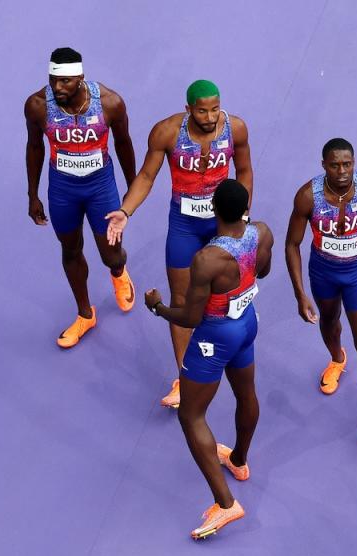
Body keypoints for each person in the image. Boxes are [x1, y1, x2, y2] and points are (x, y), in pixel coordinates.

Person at [106, 80, 252, 407]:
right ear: (188, 110)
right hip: (184, 225)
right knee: (183, 299)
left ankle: (230, 356)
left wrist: (241, 217)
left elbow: (244, 172)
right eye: (202, 110)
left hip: (221, 224)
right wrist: (126, 210)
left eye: (215, 109)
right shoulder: (167, 133)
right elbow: (145, 176)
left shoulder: (236, 129)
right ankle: (186, 379)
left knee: (226, 298)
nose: (211, 116)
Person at [144, 179, 273, 539]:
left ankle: (226, 504)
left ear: (214, 209)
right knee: (246, 393)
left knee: (190, 415)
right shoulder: (262, 232)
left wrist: (157, 308)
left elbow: (189, 318)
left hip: (215, 336)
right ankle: (239, 460)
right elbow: (263, 271)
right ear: (245, 206)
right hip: (247, 323)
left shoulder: (207, 259)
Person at [285, 138, 357, 448]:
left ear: (353, 162)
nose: (342, 171)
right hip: (323, 273)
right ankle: (337, 359)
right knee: (329, 322)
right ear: (323, 166)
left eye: (347, 164)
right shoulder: (307, 197)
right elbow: (292, 244)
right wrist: (300, 294)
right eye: (335, 165)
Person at [24, 47, 137, 348]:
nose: (58, 88)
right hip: (62, 190)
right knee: (70, 250)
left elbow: (124, 143)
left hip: (101, 187)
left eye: (66, 82)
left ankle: (118, 271)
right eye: (53, 81)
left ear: (81, 78)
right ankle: (85, 314)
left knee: (110, 253)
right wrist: (32, 194)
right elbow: (35, 147)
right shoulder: (37, 106)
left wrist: (133, 187)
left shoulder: (110, 103)